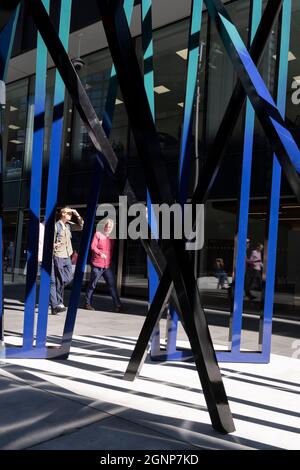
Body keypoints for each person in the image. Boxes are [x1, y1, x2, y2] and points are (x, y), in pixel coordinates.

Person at [50, 207, 84, 315]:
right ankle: (58, 304)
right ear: (63, 214)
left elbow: (81, 226)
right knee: (59, 280)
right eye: (69, 213)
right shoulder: (56, 226)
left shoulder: (69, 225)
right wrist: (54, 245)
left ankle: (57, 300)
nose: (70, 215)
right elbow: (49, 241)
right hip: (58, 256)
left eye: (71, 213)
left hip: (67, 255)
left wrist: (77, 213)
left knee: (68, 277)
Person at [85, 218, 123, 312]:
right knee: (92, 285)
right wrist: (100, 253)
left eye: (111, 227)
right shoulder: (98, 234)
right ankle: (87, 303)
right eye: (107, 226)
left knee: (112, 285)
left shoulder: (112, 237)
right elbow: (93, 246)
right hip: (97, 264)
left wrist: (109, 260)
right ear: (104, 226)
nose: (109, 228)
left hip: (107, 266)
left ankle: (118, 305)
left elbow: (111, 251)